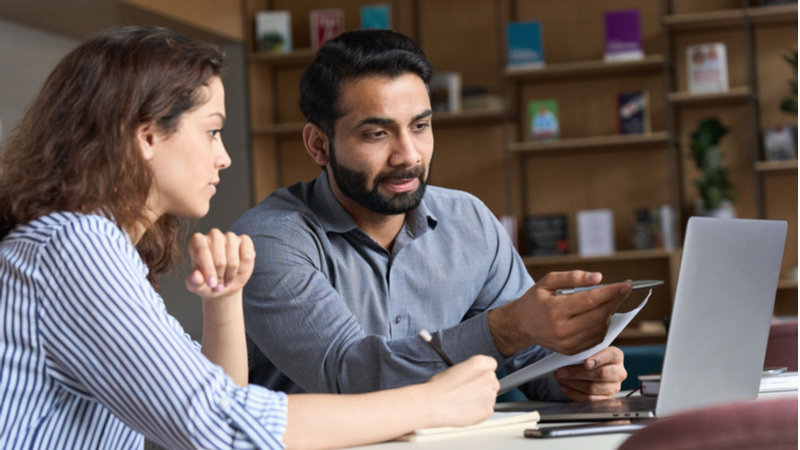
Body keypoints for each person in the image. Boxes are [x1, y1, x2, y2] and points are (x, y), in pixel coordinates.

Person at [0, 26, 502, 450]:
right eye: (212, 131)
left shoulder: (89, 247)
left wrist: (223, 305)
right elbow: (220, 426)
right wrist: (433, 400)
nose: (224, 157)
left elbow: (214, 403)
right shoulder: (75, 245)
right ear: (148, 136)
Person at [232, 29, 630, 402]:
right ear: (319, 145)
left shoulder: (468, 221)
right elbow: (350, 376)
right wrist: (507, 327)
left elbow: (530, 362)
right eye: (377, 134)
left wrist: (580, 374)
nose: (409, 155)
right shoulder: (269, 241)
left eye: (420, 126)